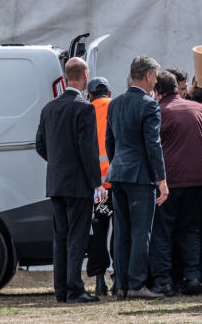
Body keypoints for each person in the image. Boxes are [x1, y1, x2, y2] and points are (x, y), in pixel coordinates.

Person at [35, 57, 104, 304]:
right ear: (85, 76)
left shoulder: (48, 108)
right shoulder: (84, 108)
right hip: (78, 184)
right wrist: (96, 183)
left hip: (55, 182)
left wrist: (57, 163)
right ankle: (75, 290)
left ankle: (61, 290)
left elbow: (40, 145)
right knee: (77, 237)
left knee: (61, 238)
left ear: (66, 77)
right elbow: (89, 150)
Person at [106, 56, 169, 300]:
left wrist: (116, 165)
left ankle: (121, 285)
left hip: (118, 173)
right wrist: (161, 179)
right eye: (155, 75)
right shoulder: (149, 105)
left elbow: (109, 141)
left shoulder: (115, 103)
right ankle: (136, 284)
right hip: (140, 176)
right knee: (141, 232)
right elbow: (154, 145)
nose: (157, 79)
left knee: (121, 232)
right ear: (147, 76)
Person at [150, 70, 202, 296]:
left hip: (170, 181)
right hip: (199, 180)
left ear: (158, 91)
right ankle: (193, 277)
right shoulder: (198, 109)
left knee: (163, 231)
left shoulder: (158, 111)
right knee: (190, 230)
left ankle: (164, 281)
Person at [86, 77, 113, 297]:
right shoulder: (116, 107)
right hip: (118, 185)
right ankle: (121, 276)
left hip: (97, 188)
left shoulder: (85, 110)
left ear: (90, 95)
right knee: (121, 230)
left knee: (99, 231)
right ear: (109, 93)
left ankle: (99, 279)